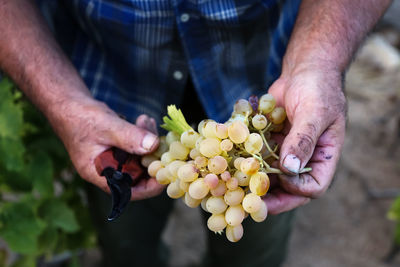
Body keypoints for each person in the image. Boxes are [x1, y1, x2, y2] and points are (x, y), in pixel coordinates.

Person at [0, 0, 391, 266]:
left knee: (253, 249)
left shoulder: (265, 146)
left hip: (273, 103)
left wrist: (318, 58)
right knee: (126, 244)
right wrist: (62, 102)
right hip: (109, 103)